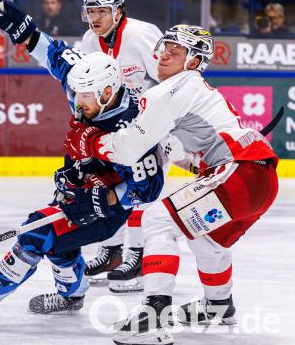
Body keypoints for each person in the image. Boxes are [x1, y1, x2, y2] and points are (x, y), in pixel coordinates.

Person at [0, 0, 166, 326]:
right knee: (59, 243)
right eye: (76, 92)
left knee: (36, 233)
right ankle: (72, 294)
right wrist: (21, 26)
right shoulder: (84, 83)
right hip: (80, 184)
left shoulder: (134, 128)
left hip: (105, 209)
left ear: (108, 92)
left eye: (86, 95)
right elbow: (53, 53)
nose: (78, 101)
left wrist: (104, 198)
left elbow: (149, 188)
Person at [63, 25, 279, 345]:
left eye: (174, 52)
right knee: (207, 240)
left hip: (239, 171)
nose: (163, 55)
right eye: (164, 48)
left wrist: (91, 143)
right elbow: (176, 153)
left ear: (194, 62)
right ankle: (218, 305)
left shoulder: (173, 89)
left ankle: (155, 314)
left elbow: (130, 148)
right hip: (258, 179)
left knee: (159, 219)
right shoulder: (189, 93)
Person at [75, 0, 164, 293]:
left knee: (140, 191)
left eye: (102, 11)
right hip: (113, 129)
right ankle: (111, 252)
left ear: (119, 10)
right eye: (91, 11)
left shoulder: (142, 34)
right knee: (105, 185)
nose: (95, 18)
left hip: (149, 126)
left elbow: (170, 78)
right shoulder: (89, 40)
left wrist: (155, 121)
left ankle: (137, 255)